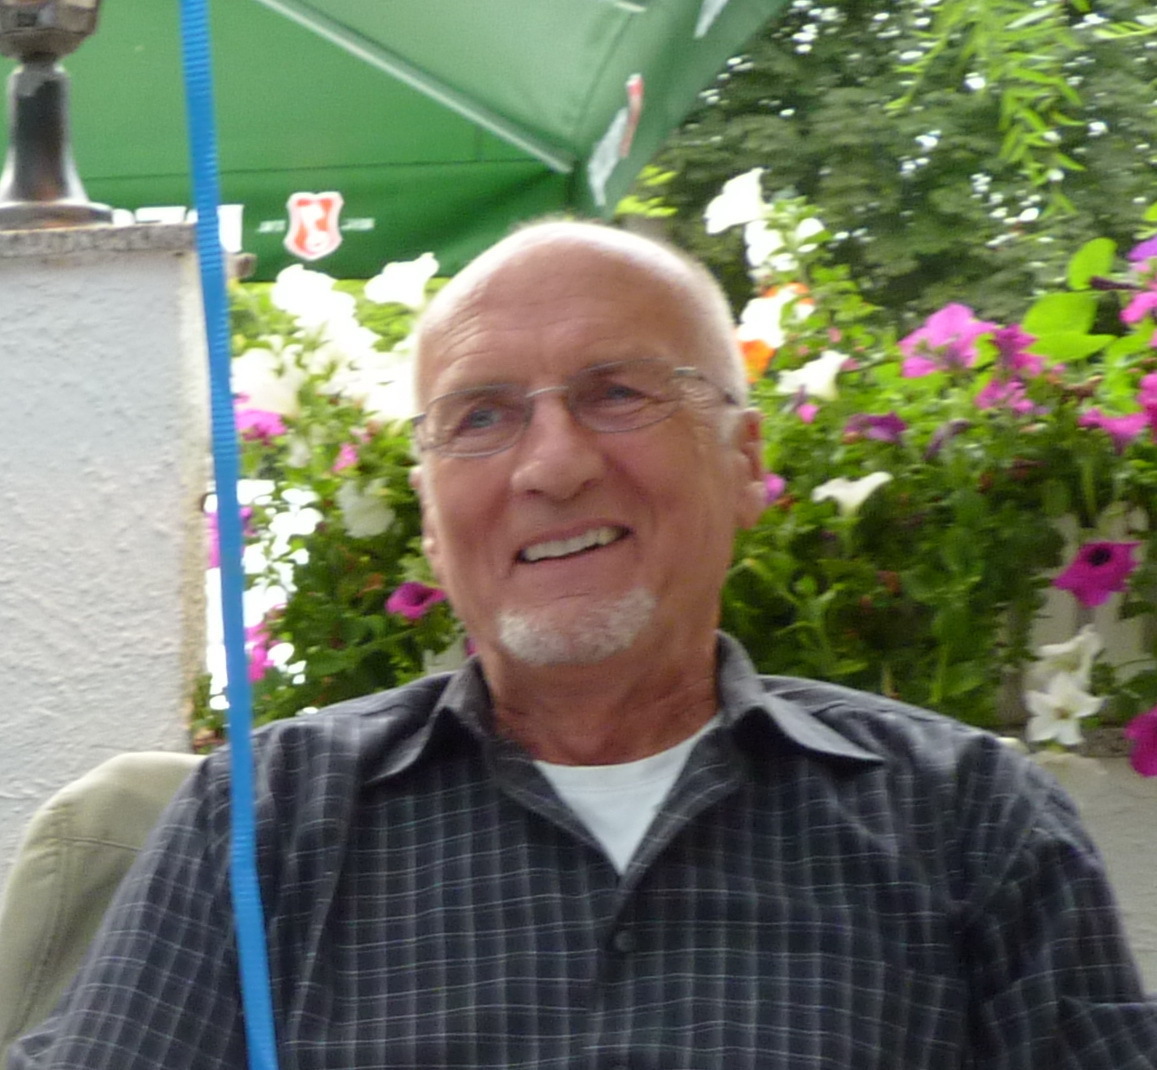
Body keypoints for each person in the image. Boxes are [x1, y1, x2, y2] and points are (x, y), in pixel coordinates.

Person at [10, 222, 1157, 1069]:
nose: (551, 464)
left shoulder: (967, 822)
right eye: (481, 415)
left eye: (616, 393)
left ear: (746, 462)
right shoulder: (260, 824)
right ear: (429, 517)